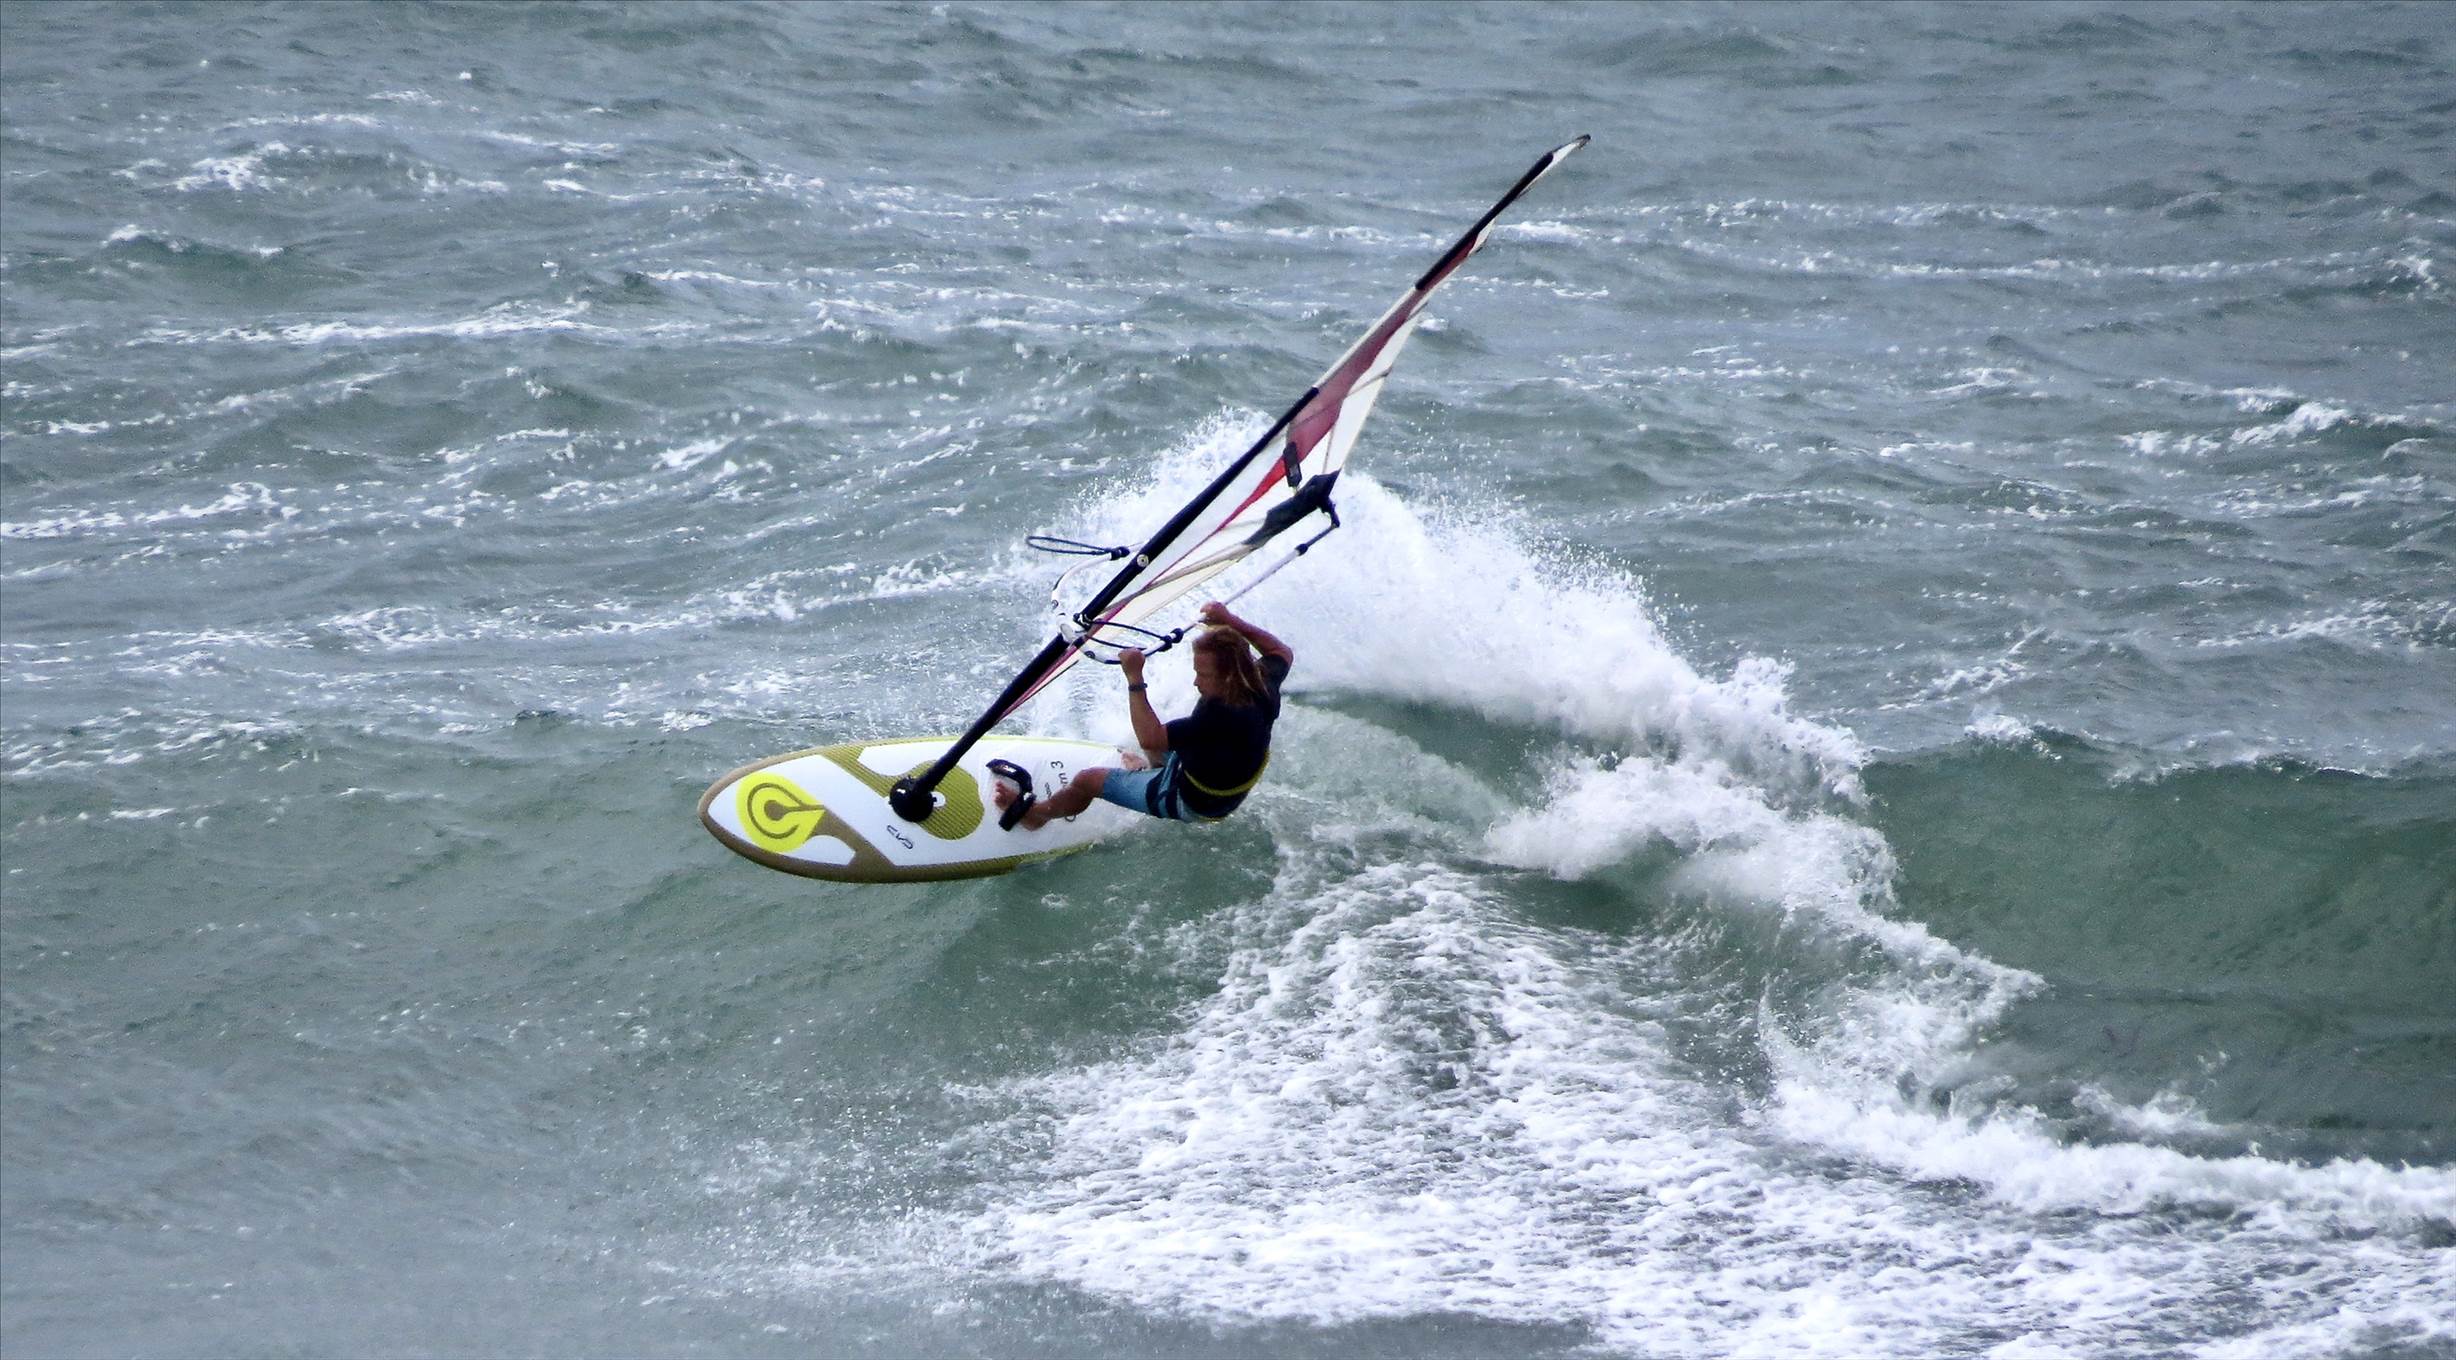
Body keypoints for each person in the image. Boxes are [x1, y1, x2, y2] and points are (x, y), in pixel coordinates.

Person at [994, 601, 1292, 830]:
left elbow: (1151, 738)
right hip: (1218, 765)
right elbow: (1281, 651)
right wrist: (1229, 621)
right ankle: (1150, 772)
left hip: (1196, 801)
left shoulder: (1220, 716)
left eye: (1203, 675)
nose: (1196, 682)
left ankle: (1037, 817)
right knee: (1167, 737)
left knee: (1088, 780)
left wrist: (1134, 677)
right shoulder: (1260, 680)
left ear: (1227, 676)